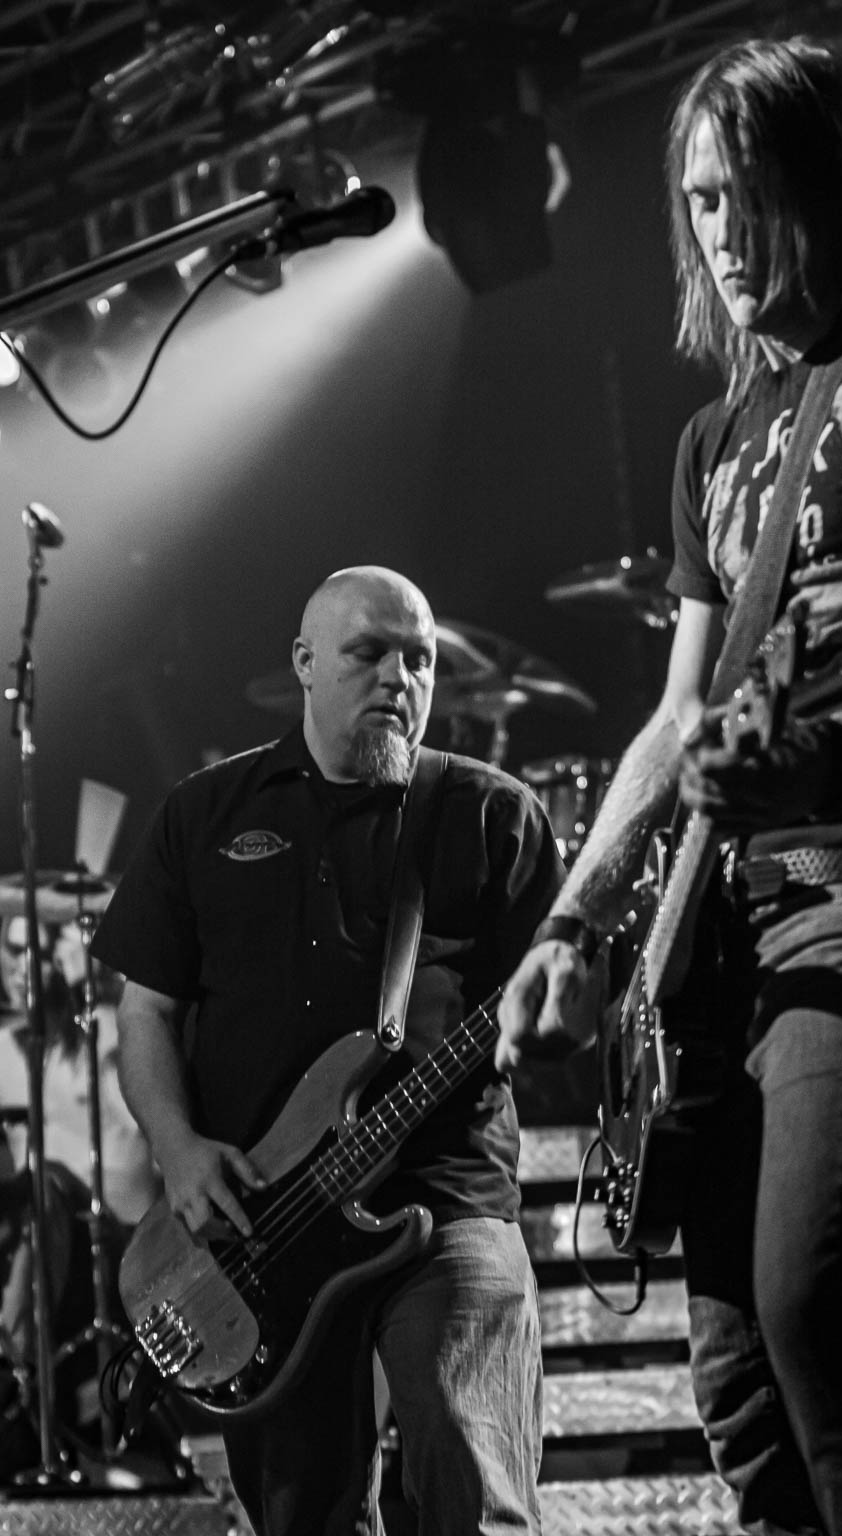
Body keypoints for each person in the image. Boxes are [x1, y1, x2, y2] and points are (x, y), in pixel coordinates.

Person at [497, 34, 842, 1536]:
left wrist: (828, 753)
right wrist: (571, 923)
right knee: (734, 1377)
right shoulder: (713, 441)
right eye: (699, 202)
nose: (721, 236)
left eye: (744, 194)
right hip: (726, 940)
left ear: (827, 181)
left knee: (817, 1311)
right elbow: (676, 720)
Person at [92, 565, 572, 1536]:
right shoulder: (205, 813)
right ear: (304, 663)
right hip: (259, 1227)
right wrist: (179, 1151)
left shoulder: (491, 814)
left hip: (444, 1197)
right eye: (370, 653)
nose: (400, 677)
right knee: (301, 1515)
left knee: (471, 1477)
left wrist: (569, 1002)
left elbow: (564, 1012)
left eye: (420, 660)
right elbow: (144, 1016)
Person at [0, 912, 159, 1474]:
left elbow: (141, 1118)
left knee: (46, 1185)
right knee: (37, 1191)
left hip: (119, 1230)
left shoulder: (102, 1031)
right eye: (13, 953)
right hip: (40, 1240)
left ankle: (13, 1361)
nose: (22, 969)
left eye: (37, 953)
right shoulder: (5, 1048)